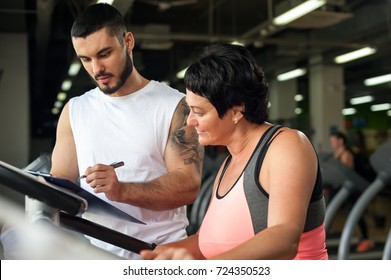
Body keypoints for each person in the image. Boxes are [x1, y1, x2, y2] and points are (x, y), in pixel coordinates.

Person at [141, 43, 328, 260]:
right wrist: (167, 250)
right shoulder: (228, 166)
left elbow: (284, 238)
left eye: (199, 112)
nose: (190, 121)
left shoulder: (286, 146)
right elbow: (208, 243)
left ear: (236, 111)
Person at [49, 3, 203, 259]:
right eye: (86, 59)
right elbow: (61, 183)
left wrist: (121, 190)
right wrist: (39, 189)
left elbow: (188, 185)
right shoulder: (74, 110)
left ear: (128, 41)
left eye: (104, 54)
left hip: (160, 255)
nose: (96, 69)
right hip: (97, 255)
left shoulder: (176, 106)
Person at [329, 131, 374, 253]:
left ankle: (366, 239)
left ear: (341, 141)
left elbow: (347, 175)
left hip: (348, 190)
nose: (331, 143)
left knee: (356, 214)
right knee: (328, 211)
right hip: (339, 189)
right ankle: (323, 234)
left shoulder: (346, 155)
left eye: (333, 140)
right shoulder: (336, 154)